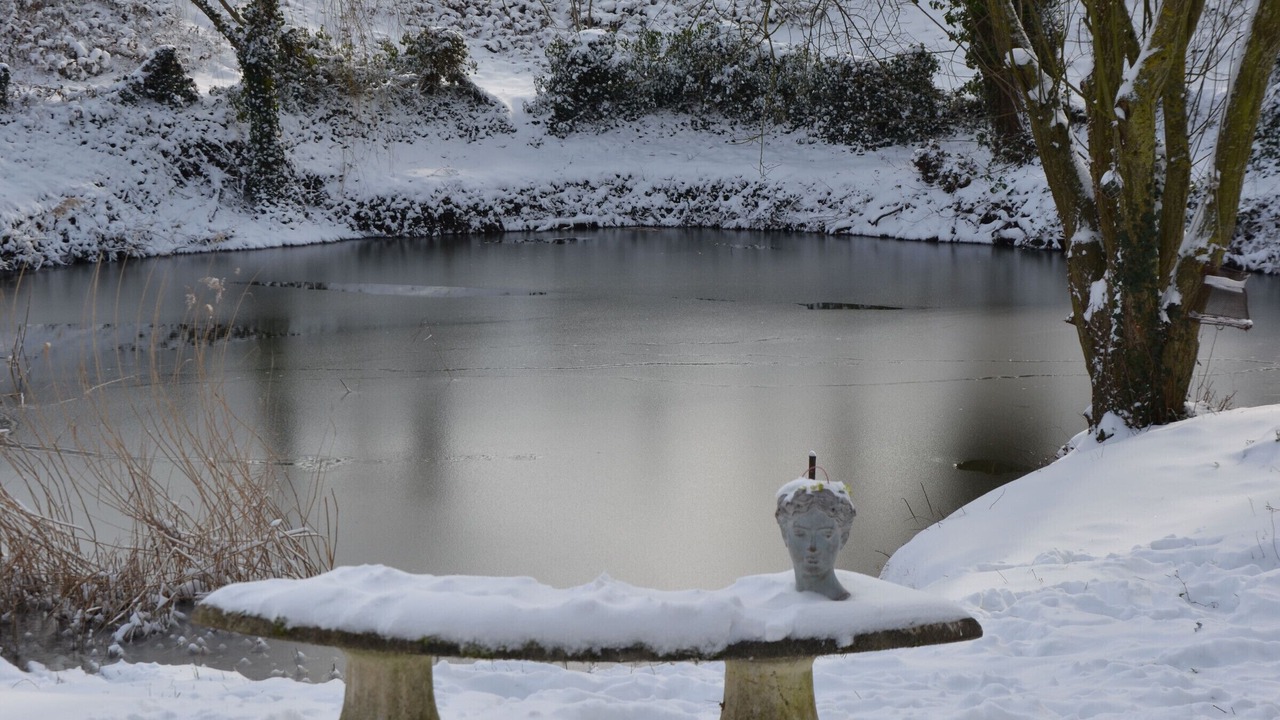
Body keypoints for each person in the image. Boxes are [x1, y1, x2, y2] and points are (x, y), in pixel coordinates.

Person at [775, 478, 856, 600]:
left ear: (843, 538)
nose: (812, 546)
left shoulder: (852, 615)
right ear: (784, 534)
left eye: (825, 535)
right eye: (800, 534)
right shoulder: (775, 606)